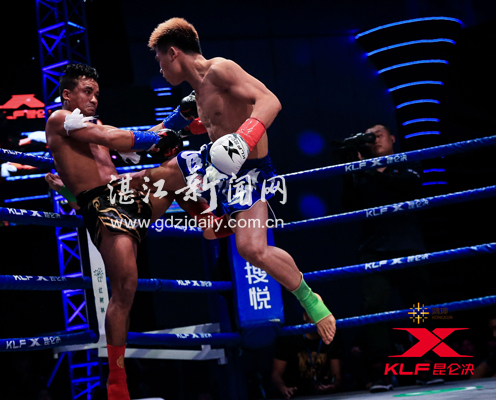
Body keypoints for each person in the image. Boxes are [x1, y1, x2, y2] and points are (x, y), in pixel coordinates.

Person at [126, 17, 336, 344]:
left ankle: (310, 299)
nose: (160, 69)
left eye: (159, 59)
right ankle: (116, 223)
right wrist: (125, 142)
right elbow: (165, 131)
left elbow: (270, 100)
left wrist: (243, 138)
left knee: (252, 249)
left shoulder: (221, 69)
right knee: (153, 177)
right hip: (215, 166)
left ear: (173, 53)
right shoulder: (195, 95)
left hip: (248, 174)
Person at [45, 63, 203, 400]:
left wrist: (179, 117)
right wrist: (161, 136)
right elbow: (118, 139)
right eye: (87, 92)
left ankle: (209, 222)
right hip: (103, 206)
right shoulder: (59, 119)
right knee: (126, 287)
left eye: (96, 94)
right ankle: (117, 381)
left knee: (180, 166)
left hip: (127, 192)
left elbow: (131, 141)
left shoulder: (95, 126)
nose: (93, 99)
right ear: (67, 94)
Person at [340, 124, 429, 392]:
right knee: (374, 309)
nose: (375, 138)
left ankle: (427, 366)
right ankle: (381, 372)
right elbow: (349, 204)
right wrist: (350, 169)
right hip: (374, 249)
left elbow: (405, 186)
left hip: (409, 247)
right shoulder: (361, 173)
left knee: (420, 308)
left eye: (379, 134)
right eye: (370, 136)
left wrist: (369, 168)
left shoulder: (408, 164)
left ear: (392, 138)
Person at [271, 301, 342, 398]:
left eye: (322, 313)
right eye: (314, 312)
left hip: (323, 394)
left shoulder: (332, 338)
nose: (318, 317)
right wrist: (284, 389)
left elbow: (336, 375)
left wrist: (333, 386)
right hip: (295, 393)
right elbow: (276, 374)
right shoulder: (290, 339)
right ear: (305, 316)